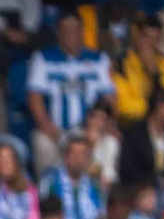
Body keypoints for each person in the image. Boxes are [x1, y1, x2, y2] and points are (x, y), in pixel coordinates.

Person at [26, 13, 113, 176]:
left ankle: (99, 197)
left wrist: (105, 126)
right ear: (58, 33)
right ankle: (49, 195)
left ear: (82, 32)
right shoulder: (44, 58)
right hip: (56, 131)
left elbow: (109, 100)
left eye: (74, 30)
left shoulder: (99, 59)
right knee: (40, 141)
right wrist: (50, 129)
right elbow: (35, 99)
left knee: (110, 141)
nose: (70, 35)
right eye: (65, 31)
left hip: (89, 131)